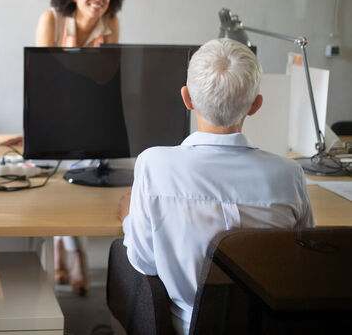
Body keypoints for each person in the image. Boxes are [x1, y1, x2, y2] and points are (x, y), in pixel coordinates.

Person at [118, 38, 314, 334]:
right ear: (256, 105)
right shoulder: (289, 174)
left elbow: (144, 262)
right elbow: (303, 261)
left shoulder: (153, 165)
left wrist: (129, 220)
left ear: (187, 98)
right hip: (266, 325)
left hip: (187, 325)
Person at [36, 0, 128, 296]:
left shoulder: (111, 24)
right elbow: (43, 81)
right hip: (54, 120)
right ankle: (75, 259)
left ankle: (64, 253)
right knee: (61, 188)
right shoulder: (52, 21)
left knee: (82, 185)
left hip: (91, 121)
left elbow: (107, 81)